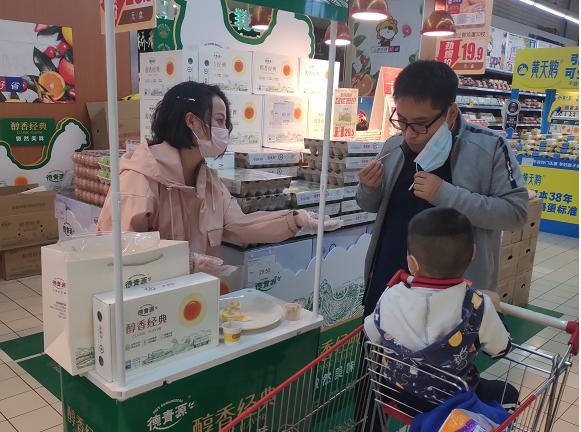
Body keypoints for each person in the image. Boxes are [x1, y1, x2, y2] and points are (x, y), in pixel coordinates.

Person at [98, 82, 341, 277]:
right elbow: (118, 251)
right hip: (148, 307)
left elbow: (241, 226)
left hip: (193, 300)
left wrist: (295, 219)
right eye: (219, 121)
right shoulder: (139, 178)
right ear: (191, 121)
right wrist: (185, 262)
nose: (225, 131)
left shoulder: (209, 181)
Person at [356, 60, 528, 318]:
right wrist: (369, 188)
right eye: (402, 121)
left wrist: (445, 194)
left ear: (450, 113)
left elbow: (516, 213)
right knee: (378, 342)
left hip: (454, 300)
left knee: (445, 345)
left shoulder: (489, 148)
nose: (410, 134)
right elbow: (370, 205)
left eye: (420, 123)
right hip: (389, 285)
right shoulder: (394, 146)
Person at [364, 208, 518, 416]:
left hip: (401, 395)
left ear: (411, 263)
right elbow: (500, 349)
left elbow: (372, 333)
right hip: (453, 402)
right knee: (507, 393)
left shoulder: (391, 295)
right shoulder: (478, 304)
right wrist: (496, 307)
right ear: (473, 253)